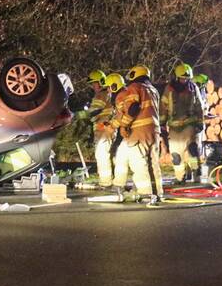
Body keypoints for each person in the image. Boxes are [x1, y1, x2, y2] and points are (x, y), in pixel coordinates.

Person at [113, 65, 163, 205]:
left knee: (139, 162)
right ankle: (158, 193)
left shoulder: (134, 87)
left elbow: (133, 108)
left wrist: (124, 125)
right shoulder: (153, 90)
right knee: (154, 164)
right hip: (154, 130)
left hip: (139, 131)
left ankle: (145, 193)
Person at [161, 62, 205, 183]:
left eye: (186, 79)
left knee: (192, 151)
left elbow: (199, 106)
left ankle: (197, 175)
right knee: (176, 155)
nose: (184, 81)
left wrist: (200, 122)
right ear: (176, 77)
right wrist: (162, 123)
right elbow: (163, 106)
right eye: (182, 78)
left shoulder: (193, 88)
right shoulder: (169, 89)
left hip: (190, 126)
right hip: (174, 128)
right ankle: (180, 177)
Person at [86, 70, 119, 188]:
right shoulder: (108, 94)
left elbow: (94, 110)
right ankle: (112, 180)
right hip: (106, 129)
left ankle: (106, 182)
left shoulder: (101, 94)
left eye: (94, 83)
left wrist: (79, 114)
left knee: (102, 154)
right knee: (108, 154)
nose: (92, 86)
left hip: (104, 129)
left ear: (100, 82)